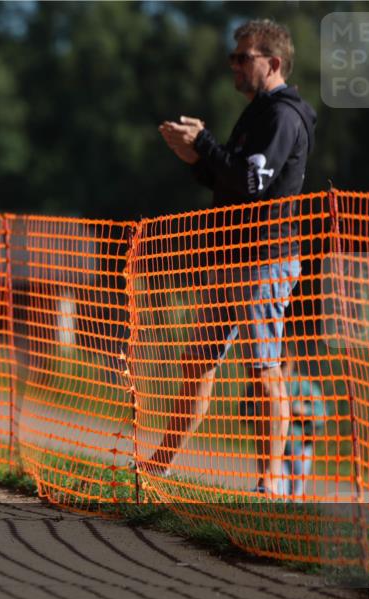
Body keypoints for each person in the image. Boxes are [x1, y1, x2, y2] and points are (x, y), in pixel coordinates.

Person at [145, 19, 317, 496]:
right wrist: (198, 161)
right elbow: (232, 182)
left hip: (264, 258)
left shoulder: (283, 115)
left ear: (273, 62)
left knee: (263, 368)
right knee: (198, 361)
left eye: (244, 57)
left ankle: (271, 481)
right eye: (233, 57)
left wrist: (203, 144)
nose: (234, 65)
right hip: (230, 255)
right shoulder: (258, 112)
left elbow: (252, 182)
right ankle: (157, 467)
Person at [241, 367, 327, 498]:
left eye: (286, 361)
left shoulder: (303, 385)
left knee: (297, 494)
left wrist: (305, 411)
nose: (283, 364)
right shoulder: (261, 380)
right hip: (271, 448)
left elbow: (321, 415)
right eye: (281, 360)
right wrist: (261, 413)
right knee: (278, 489)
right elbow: (244, 412)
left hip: (300, 448)